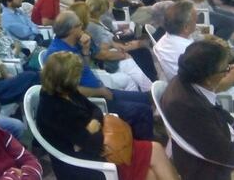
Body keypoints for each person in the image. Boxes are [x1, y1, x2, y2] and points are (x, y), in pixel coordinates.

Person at [37, 51, 179, 180]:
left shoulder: (67, 91)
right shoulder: (52, 110)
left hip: (103, 145)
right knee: (151, 170)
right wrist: (93, 128)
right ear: (66, 78)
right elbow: (91, 144)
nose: (79, 78)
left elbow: (96, 111)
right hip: (85, 162)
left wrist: (93, 125)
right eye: (77, 75)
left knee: (156, 150)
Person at [44, 11, 153, 140]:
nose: (83, 28)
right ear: (72, 29)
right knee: (143, 111)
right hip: (92, 100)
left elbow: (83, 70)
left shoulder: (74, 44)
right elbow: (69, 91)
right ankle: (143, 149)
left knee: (147, 98)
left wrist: (85, 51)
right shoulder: (57, 55)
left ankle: (137, 137)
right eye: (80, 25)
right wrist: (100, 91)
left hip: (100, 89)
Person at [161, 40, 234, 180]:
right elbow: (225, 154)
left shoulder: (185, 79)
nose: (228, 71)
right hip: (210, 168)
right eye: (226, 69)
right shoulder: (190, 109)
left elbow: (216, 111)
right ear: (208, 79)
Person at [84, 0, 155, 89]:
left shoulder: (93, 21)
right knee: (141, 52)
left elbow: (109, 42)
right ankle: (151, 86)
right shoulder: (95, 26)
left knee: (140, 50)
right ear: (102, 9)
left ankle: (150, 86)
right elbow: (102, 53)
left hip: (114, 50)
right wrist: (123, 54)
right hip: (110, 62)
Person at [153, 0, 196, 81]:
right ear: (186, 28)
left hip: (175, 83)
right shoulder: (190, 51)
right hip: (190, 89)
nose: (196, 23)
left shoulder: (165, 38)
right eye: (195, 20)